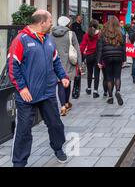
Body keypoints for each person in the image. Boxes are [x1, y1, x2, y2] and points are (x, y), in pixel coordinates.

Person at [8, 10, 70, 166]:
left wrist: (63, 76)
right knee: (23, 131)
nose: (51, 24)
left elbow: (55, 61)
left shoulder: (48, 39)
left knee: (55, 124)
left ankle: (58, 149)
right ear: (41, 22)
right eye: (49, 21)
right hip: (27, 95)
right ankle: (19, 162)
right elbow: (12, 66)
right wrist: (22, 88)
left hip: (48, 92)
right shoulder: (21, 40)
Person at [51, 16, 82, 116]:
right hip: (69, 62)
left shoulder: (52, 34)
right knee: (67, 82)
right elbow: (77, 50)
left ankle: (63, 106)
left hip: (55, 62)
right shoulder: (71, 34)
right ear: (68, 24)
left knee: (60, 83)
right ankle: (66, 103)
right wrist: (80, 64)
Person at [97, 17, 127, 105]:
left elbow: (99, 48)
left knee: (109, 77)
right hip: (118, 57)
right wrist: (124, 59)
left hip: (107, 57)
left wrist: (99, 60)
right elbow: (124, 48)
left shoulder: (103, 33)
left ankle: (110, 97)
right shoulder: (121, 33)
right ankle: (117, 91)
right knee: (117, 76)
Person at [80, 20, 101, 98]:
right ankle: (95, 91)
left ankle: (89, 88)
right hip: (98, 56)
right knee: (97, 73)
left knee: (89, 72)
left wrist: (80, 56)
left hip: (89, 55)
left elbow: (82, 46)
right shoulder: (100, 34)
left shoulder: (86, 34)